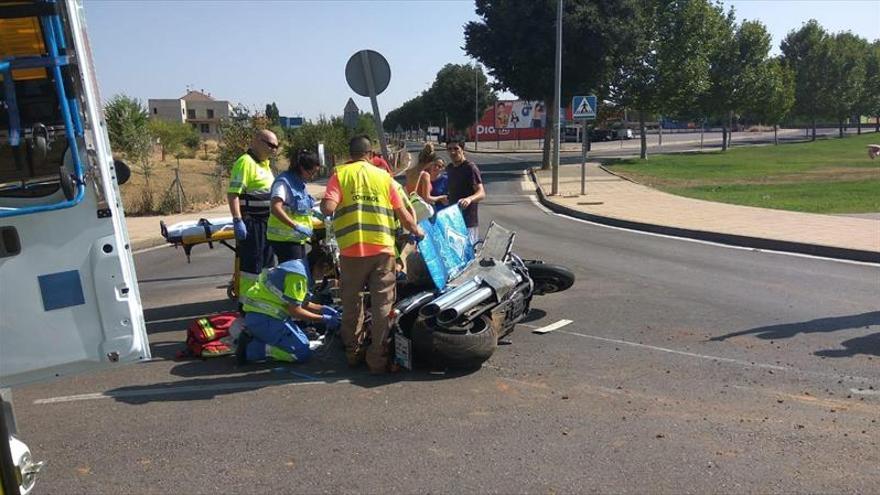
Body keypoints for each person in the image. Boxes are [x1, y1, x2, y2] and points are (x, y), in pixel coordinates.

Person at [321, 135, 425, 374]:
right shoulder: (384, 178)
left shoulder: (340, 175)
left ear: (350, 154)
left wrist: (326, 206)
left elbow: (328, 207)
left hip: (351, 252)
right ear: (371, 155)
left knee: (352, 304)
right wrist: (417, 231)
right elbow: (404, 215)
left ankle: (353, 353)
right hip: (382, 250)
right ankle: (377, 360)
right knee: (381, 306)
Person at [237, 259, 341, 364]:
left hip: (262, 315)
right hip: (265, 319)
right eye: (325, 272)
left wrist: (322, 309)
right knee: (301, 353)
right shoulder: (298, 277)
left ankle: (258, 337)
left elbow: (299, 303)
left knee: (305, 342)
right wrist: (323, 319)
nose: (323, 277)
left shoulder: (298, 266)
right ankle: (251, 349)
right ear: (322, 267)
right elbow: (295, 311)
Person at [228, 129, 278, 300]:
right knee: (252, 268)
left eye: (276, 146)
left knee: (268, 266)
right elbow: (233, 193)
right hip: (252, 223)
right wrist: (237, 220)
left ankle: (264, 301)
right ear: (257, 141)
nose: (274, 149)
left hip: (267, 222)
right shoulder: (245, 162)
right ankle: (248, 306)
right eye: (271, 145)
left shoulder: (265, 165)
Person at [267, 149, 320, 263]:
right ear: (302, 168)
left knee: (299, 273)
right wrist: (296, 226)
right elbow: (275, 208)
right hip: (284, 239)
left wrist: (315, 213)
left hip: (296, 238)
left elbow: (298, 208)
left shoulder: (300, 183)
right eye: (311, 173)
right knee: (294, 275)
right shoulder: (283, 183)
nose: (312, 177)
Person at [445, 139, 486, 244]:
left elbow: (481, 193)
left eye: (456, 149)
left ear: (463, 150)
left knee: (469, 255)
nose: (453, 152)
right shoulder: (450, 168)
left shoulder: (470, 168)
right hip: (453, 220)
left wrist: (469, 199)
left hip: (468, 221)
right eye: (449, 149)